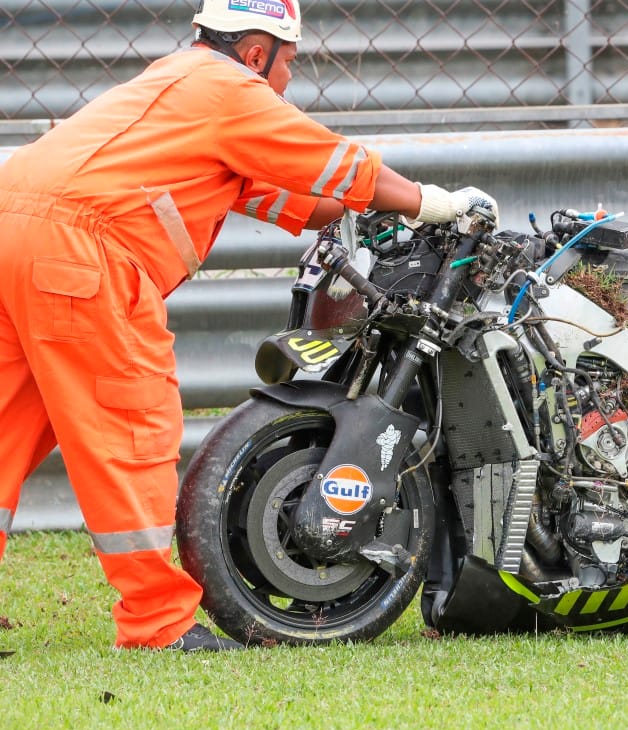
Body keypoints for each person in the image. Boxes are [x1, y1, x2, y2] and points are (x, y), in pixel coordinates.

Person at [0, 0, 496, 652]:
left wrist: (366, 213)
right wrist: (433, 202)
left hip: (15, 228)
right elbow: (339, 164)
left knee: (8, 426)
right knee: (131, 427)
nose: (288, 82)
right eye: (288, 64)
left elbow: (295, 193)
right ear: (257, 52)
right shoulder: (231, 89)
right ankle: (157, 624)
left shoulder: (176, 82)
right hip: (82, 255)